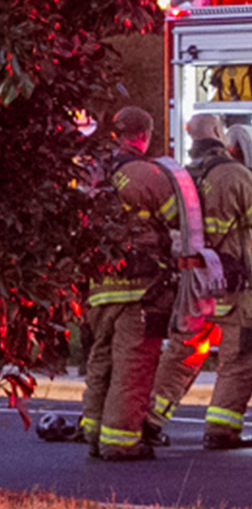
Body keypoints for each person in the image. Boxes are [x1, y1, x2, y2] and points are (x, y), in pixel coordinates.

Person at [147, 113, 252, 450]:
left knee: (181, 354)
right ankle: (222, 429)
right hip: (232, 287)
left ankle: (149, 421)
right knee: (239, 355)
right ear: (220, 134)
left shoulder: (180, 178)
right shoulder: (234, 175)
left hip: (192, 285)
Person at [79, 106, 177, 461]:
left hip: (99, 288)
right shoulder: (149, 175)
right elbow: (177, 221)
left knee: (100, 361)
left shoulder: (91, 174)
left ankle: (93, 432)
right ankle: (120, 441)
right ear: (144, 135)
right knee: (133, 364)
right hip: (141, 289)